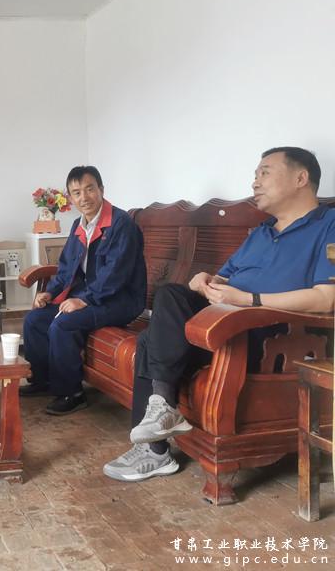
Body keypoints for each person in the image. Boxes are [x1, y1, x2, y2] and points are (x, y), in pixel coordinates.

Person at [104, 147, 335, 482]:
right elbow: (224, 278)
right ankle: (159, 426)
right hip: (222, 323)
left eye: (264, 172)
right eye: (255, 174)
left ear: (301, 178)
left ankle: (156, 447)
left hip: (270, 335)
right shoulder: (262, 232)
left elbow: (326, 299)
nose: (255, 182)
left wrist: (250, 300)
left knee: (153, 338)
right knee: (169, 301)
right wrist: (203, 282)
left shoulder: (329, 225)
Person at [21, 166, 147, 415]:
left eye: (90, 189)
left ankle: (72, 393)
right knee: (35, 320)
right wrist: (51, 293)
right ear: (70, 197)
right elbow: (67, 267)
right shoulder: (78, 226)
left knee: (63, 324)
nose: (84, 197)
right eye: (77, 192)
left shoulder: (122, 224)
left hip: (121, 300)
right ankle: (43, 380)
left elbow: (116, 273)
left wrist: (84, 300)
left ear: (101, 189)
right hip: (94, 296)